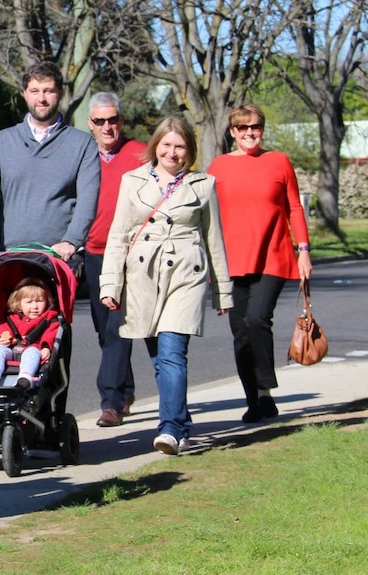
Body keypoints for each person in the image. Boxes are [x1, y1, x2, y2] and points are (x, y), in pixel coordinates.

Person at [99, 116, 233, 456]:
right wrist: (110, 285)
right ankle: (182, 423)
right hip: (142, 278)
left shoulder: (203, 185)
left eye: (180, 146)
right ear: (155, 146)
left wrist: (223, 290)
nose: (173, 153)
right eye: (167, 145)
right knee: (160, 358)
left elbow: (214, 239)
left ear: (189, 150)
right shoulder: (132, 182)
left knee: (173, 352)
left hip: (186, 277)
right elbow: (118, 236)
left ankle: (170, 428)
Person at [207, 104, 312, 423]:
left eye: (255, 127)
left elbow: (294, 206)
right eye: (242, 128)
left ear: (262, 130)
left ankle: (266, 386)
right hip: (232, 259)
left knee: (256, 319)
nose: (249, 133)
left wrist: (303, 249)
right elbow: (208, 216)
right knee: (239, 332)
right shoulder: (218, 167)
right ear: (232, 132)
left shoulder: (278, 161)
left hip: (274, 253)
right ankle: (255, 399)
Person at [0, 61, 100, 262]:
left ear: (60, 93)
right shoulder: (2, 141)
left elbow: (88, 200)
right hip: (13, 255)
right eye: (35, 91)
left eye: (48, 91)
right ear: (24, 93)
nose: (41, 98)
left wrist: (72, 241)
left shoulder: (83, 144)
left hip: (62, 257)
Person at [84, 92, 147, 428]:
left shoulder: (140, 154)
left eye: (113, 120)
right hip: (94, 251)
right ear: (90, 124)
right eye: (100, 121)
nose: (108, 127)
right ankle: (126, 390)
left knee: (116, 324)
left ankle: (110, 401)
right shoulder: (81, 153)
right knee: (103, 329)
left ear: (122, 121)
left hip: (129, 253)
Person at [0, 278, 59, 390]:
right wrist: (0, 339)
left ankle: (25, 377)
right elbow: (3, 329)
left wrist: (46, 347)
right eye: (29, 302)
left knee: (31, 352)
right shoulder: (13, 319)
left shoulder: (48, 318)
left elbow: (50, 333)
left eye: (39, 301)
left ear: (47, 301)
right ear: (19, 305)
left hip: (34, 349)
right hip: (12, 349)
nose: (35, 306)